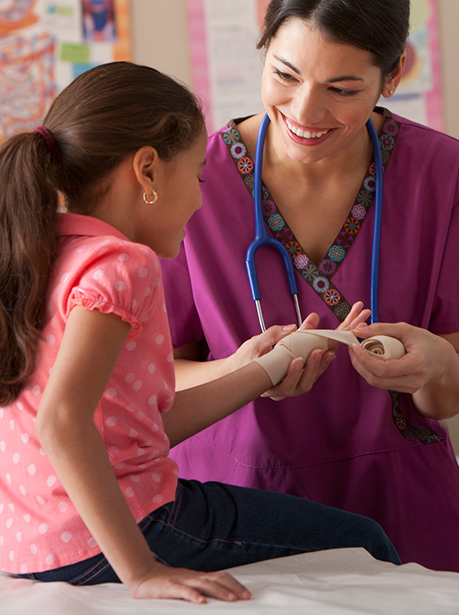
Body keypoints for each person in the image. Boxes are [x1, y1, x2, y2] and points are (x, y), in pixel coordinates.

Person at [0, 62, 400, 604]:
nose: (197, 199)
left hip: (33, 547)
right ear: (147, 170)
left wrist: (262, 367)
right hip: (125, 530)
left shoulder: (46, 253)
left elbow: (138, 433)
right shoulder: (123, 265)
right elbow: (63, 420)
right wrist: (141, 570)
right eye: (196, 176)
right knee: (365, 541)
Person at [160, 0, 459, 574]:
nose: (305, 113)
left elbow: (453, 393)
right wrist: (243, 372)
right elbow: (152, 380)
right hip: (233, 507)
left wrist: (437, 362)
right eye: (285, 74)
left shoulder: (450, 177)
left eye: (342, 88)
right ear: (263, 47)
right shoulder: (189, 177)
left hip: (402, 507)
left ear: (393, 77)